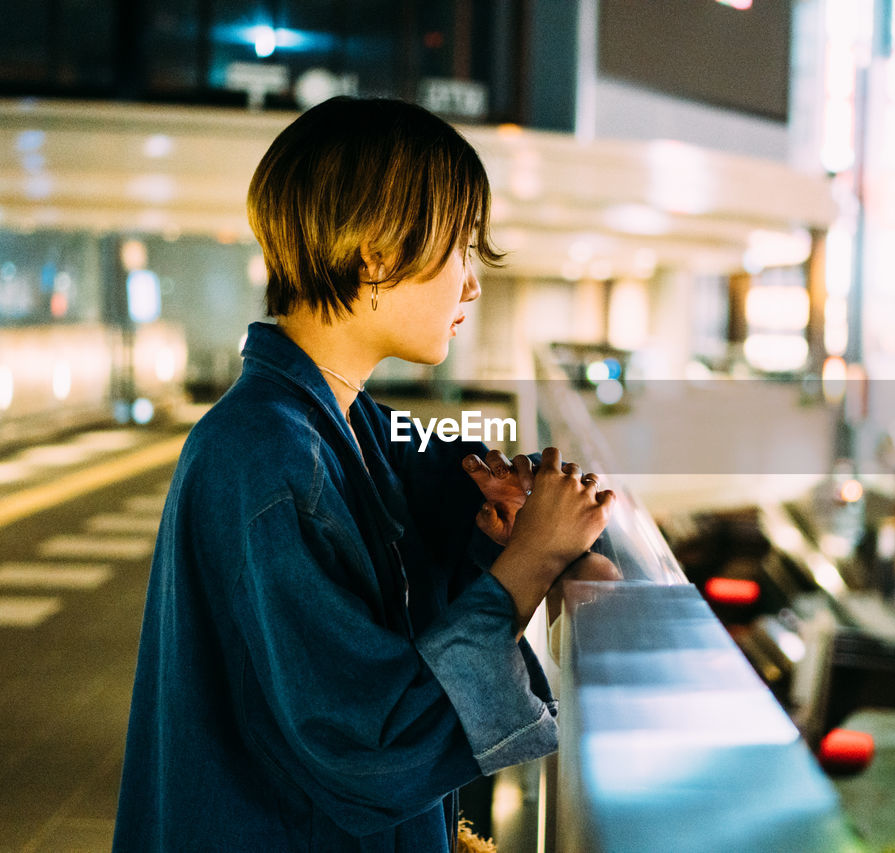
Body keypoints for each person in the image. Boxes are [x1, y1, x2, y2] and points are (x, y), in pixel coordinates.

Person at [113, 97, 615, 852]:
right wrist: (533, 557)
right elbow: (374, 744)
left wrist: (505, 516)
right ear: (377, 255)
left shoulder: (344, 423)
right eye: (459, 250)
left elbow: (447, 482)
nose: (472, 286)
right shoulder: (267, 456)